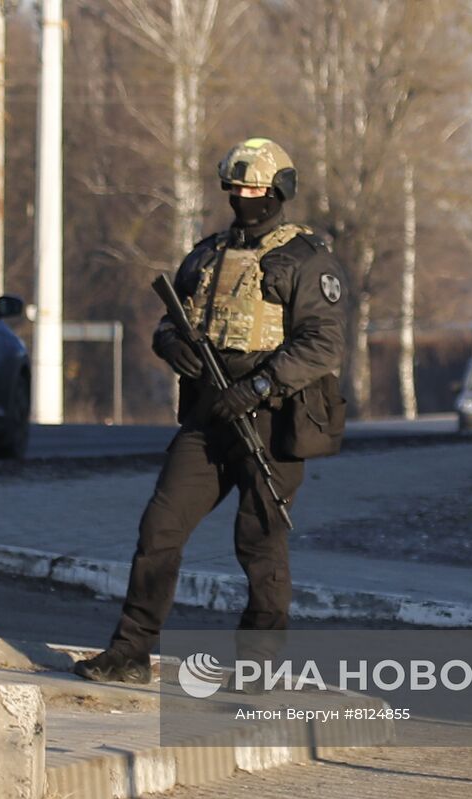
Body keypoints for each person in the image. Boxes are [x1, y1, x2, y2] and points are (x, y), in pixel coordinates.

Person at [75, 138, 348, 683]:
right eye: (236, 188)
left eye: (254, 189)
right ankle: (130, 653)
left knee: (259, 543)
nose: (244, 198)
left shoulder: (305, 259)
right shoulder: (206, 255)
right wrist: (170, 343)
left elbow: (323, 343)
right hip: (209, 414)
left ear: (277, 192)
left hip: (272, 420)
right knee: (159, 528)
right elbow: (170, 320)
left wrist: (261, 384)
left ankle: (259, 670)